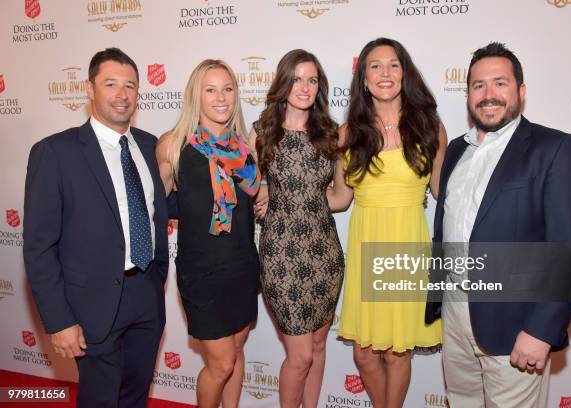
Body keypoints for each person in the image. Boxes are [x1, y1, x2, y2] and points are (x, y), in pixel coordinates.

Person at [424, 42, 571, 407]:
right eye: (478, 85)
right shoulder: (456, 149)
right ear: (468, 93)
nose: (489, 95)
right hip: (454, 312)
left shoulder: (556, 149)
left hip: (515, 319)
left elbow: (570, 250)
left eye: (500, 83)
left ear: (521, 91)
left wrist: (541, 329)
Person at [23, 48, 168, 407]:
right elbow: (39, 247)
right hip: (91, 304)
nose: (122, 94)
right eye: (111, 84)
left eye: (130, 86)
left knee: (135, 395)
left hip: (146, 293)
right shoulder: (55, 153)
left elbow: (163, 209)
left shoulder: (152, 146)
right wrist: (58, 321)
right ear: (90, 89)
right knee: (100, 399)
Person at [327, 38, 447, 407]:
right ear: (363, 79)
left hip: (409, 247)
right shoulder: (348, 133)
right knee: (364, 354)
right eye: (375, 66)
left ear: (404, 73)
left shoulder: (429, 126)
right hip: (366, 247)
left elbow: (444, 193)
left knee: (398, 352)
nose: (385, 73)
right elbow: (339, 198)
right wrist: (282, 194)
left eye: (393, 65)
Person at [156, 59, 260, 408]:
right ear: (195, 96)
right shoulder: (173, 146)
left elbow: (256, 199)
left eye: (228, 89)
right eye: (211, 90)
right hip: (202, 273)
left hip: (243, 267)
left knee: (236, 351)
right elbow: (157, 207)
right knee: (221, 363)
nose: (221, 98)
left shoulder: (245, 149)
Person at [249, 49, 344, 408]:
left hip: (325, 254)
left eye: (312, 80)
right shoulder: (260, 131)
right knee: (301, 354)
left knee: (319, 346)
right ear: (283, 82)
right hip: (281, 256)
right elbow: (249, 187)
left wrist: (299, 198)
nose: (304, 87)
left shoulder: (331, 134)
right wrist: (266, 190)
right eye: (297, 78)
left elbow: (340, 197)